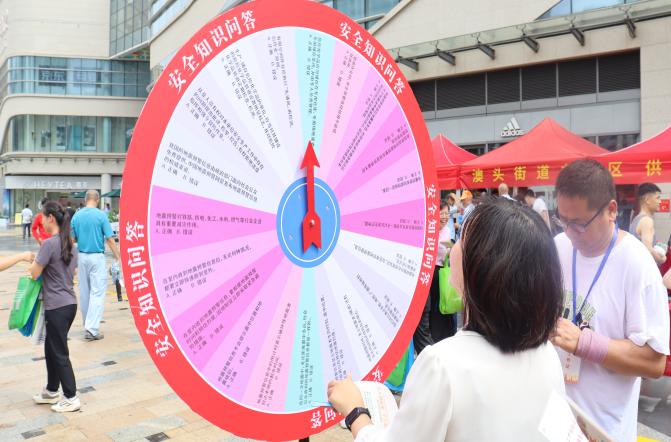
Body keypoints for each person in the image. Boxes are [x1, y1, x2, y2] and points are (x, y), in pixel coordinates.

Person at [328, 199, 566, 441]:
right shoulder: (547, 355)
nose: (454, 247)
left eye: (463, 240)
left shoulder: (441, 365)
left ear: (484, 267)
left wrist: (355, 411)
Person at [550, 160, 669, 441]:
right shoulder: (558, 247)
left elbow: (655, 363)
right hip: (556, 420)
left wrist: (585, 343)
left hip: (605, 430)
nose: (569, 232)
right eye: (562, 221)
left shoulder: (636, 264)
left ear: (611, 210)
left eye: (579, 224)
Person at [28, 201, 80, 412]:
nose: (41, 220)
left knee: (59, 352)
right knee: (51, 348)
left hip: (57, 307)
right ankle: (51, 390)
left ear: (50, 218)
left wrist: (32, 262)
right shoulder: (70, 244)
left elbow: (34, 273)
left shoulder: (49, 244)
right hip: (69, 304)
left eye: (42, 216)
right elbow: (71, 273)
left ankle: (71, 397)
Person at [71, 190, 121, 341]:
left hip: (81, 257)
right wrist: (118, 257)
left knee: (85, 292)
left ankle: (87, 325)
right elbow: (110, 239)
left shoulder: (76, 216)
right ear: (97, 200)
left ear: (86, 199)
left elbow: (72, 240)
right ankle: (92, 329)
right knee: (97, 292)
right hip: (97, 257)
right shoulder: (101, 215)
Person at [630, 183, 666, 265]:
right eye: (657, 198)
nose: (660, 202)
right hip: (645, 268)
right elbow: (648, 249)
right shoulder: (646, 221)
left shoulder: (635, 218)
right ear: (647, 200)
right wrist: (661, 259)